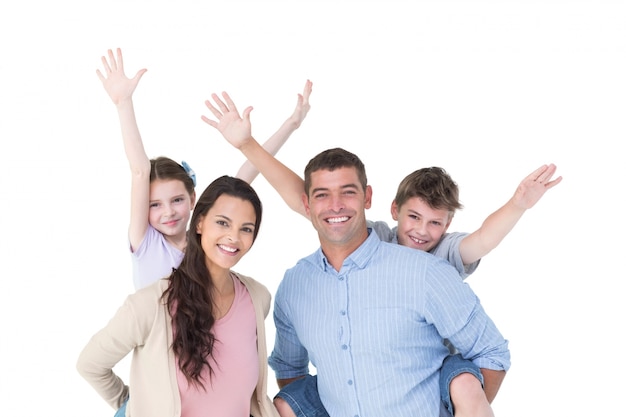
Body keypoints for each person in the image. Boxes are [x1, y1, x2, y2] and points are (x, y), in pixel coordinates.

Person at [201, 92, 559, 416]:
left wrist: (517, 205)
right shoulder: (296, 285)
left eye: (348, 192)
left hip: (436, 392)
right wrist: (247, 144)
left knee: (465, 381)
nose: (336, 204)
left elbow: (492, 349)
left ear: (367, 198)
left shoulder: (429, 267)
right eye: (322, 195)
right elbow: (291, 373)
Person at [96, 48, 312, 290]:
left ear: (192, 199)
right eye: (154, 204)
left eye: (177, 200)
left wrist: (291, 125)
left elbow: (247, 172)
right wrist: (123, 103)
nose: (168, 212)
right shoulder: (145, 242)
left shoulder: (205, 240)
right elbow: (139, 171)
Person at [76, 175, 279, 417]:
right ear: (200, 223)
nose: (234, 237)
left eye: (246, 229)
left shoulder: (257, 298)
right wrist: (137, 406)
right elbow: (91, 364)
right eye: (223, 223)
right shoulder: (151, 304)